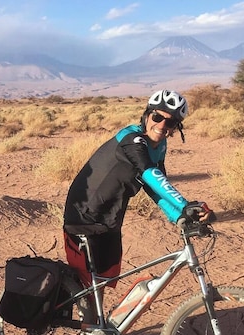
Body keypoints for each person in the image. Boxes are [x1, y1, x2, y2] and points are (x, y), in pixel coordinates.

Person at [63, 89, 214, 290]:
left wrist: (178, 216)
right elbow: (149, 173)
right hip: (83, 217)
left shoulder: (159, 146)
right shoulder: (131, 139)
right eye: (157, 117)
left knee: (103, 280)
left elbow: (154, 187)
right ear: (146, 115)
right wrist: (184, 205)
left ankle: (97, 320)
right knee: (87, 286)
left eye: (170, 122)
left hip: (110, 217)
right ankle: (84, 320)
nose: (161, 126)